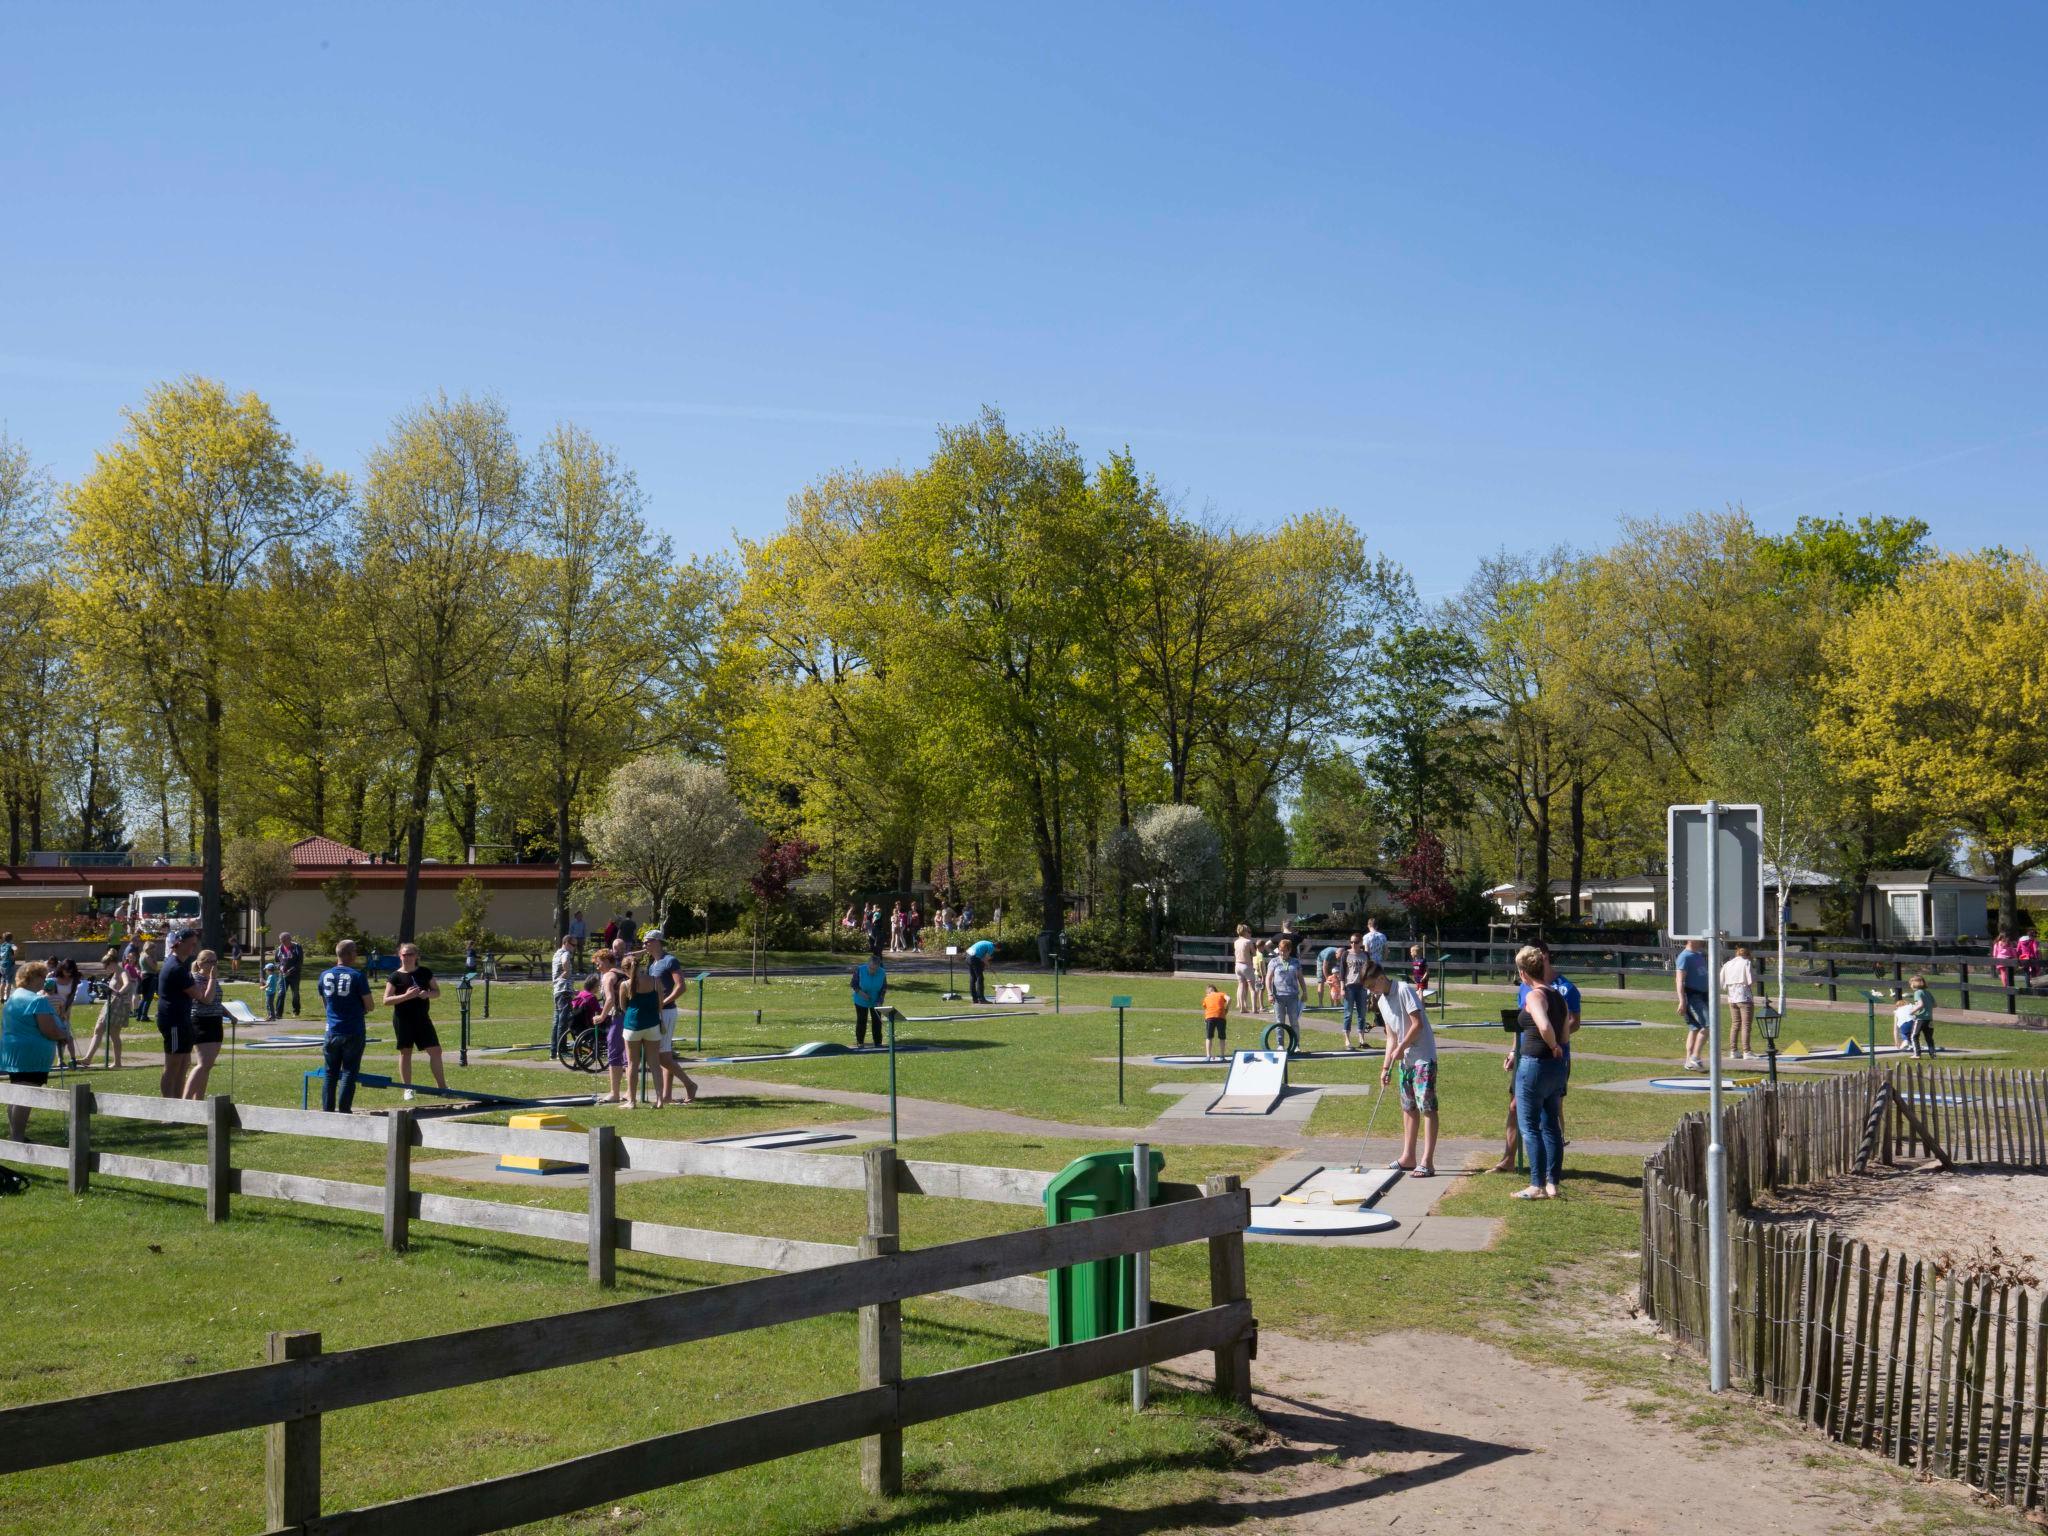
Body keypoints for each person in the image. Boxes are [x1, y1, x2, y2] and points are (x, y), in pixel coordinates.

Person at [1368, 959, 1438, 1176]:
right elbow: (1391, 1037)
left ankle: (1427, 1161)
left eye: (1371, 986)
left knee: (1427, 1107)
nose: (1371, 991)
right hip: (1405, 1061)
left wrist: (1402, 1047)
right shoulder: (1381, 1001)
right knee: (1408, 1107)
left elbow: (1417, 1024)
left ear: (1380, 978)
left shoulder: (1404, 990)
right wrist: (1386, 1066)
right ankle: (1408, 1157)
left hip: (1423, 1058)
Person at [1512, 944, 1569, 1200]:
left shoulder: (1534, 996)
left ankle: (1536, 1185)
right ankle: (1552, 1183)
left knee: (1530, 1127)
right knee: (1551, 1125)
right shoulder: (1558, 996)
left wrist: (1552, 1043)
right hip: (1556, 1067)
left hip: (1534, 1065)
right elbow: (1566, 1029)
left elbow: (1544, 1026)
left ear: (1524, 973)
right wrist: (1559, 1047)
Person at [2, 961, 70, 1141]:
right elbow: (49, 1030)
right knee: (27, 1094)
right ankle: (17, 1137)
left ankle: (15, 1135)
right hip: (31, 1055)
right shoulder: (37, 1000)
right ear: (32, 978)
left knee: (17, 1093)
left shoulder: (14, 997)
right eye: (42, 976)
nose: (45, 980)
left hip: (13, 1052)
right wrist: (63, 1034)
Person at [317, 940, 377, 1114]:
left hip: (332, 1030)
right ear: (349, 954)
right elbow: (370, 1005)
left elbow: (325, 1004)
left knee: (330, 1074)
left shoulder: (324, 975)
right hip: (353, 1030)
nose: (357, 955)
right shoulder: (357, 976)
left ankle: (327, 1110)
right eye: (355, 951)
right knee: (349, 1072)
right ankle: (344, 1110)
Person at [385, 943, 446, 1099]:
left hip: (422, 1019)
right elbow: (386, 1000)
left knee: (436, 1051)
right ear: (400, 956)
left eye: (411, 954)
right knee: (406, 1052)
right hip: (403, 1019)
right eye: (404, 954)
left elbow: (436, 992)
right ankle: (408, 1088)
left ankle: (442, 1087)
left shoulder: (425, 972)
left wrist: (427, 994)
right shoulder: (394, 976)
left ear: (416, 956)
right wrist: (406, 996)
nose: (407, 957)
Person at [644, 930, 697, 1106]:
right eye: (644, 942)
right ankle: (666, 1095)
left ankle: (690, 1084)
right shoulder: (653, 964)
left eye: (648, 941)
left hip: (666, 1012)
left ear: (658, 942)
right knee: (663, 1054)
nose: (645, 945)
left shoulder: (669, 960)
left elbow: (681, 986)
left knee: (663, 1057)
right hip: (657, 1011)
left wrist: (663, 1003)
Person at [617, 951, 664, 1109]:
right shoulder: (655, 981)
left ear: (625, 970)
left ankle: (632, 1101)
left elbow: (623, 1006)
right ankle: (659, 1100)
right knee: (655, 1064)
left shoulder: (625, 984)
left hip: (632, 1025)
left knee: (632, 1064)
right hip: (652, 1024)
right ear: (641, 966)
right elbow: (660, 1003)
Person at [155, 930, 199, 1099]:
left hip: (183, 1019)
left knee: (184, 1063)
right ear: (179, 943)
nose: (193, 948)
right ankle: (168, 1108)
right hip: (173, 1021)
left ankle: (179, 1106)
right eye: (191, 944)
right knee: (173, 1065)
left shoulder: (182, 966)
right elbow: (198, 994)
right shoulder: (175, 967)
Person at [181, 948, 228, 1098]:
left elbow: (215, 1001)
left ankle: (198, 1102)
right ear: (201, 963)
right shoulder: (195, 979)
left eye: (216, 961)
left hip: (215, 1022)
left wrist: (229, 1015)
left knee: (207, 1066)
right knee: (202, 1064)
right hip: (201, 1023)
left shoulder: (211, 978)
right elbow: (206, 999)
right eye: (211, 962)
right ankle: (185, 1101)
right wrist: (213, 979)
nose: (214, 965)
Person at [82, 946, 135, 1069]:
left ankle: (117, 1063)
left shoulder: (122, 972)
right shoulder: (114, 973)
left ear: (111, 963)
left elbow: (127, 984)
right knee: (98, 1029)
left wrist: (119, 992)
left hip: (119, 1005)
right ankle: (88, 1059)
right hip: (110, 1003)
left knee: (114, 1034)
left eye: (106, 966)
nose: (105, 969)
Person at [589, 952, 626, 1104]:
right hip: (630, 1016)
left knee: (614, 1053)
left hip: (618, 1016)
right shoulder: (623, 973)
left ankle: (614, 1093)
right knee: (628, 1055)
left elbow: (610, 999)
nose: (597, 967)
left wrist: (601, 1016)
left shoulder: (608, 976)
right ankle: (629, 1092)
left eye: (598, 963)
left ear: (606, 960)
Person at [1676, 937, 1711, 1071]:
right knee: (1708, 1024)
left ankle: (1689, 1061)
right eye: (1698, 938)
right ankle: (1695, 1057)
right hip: (1693, 996)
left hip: (1703, 995)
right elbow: (1679, 981)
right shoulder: (1684, 957)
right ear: (1690, 940)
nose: (1702, 940)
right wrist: (1682, 1001)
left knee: (1695, 1028)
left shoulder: (1699, 955)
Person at [1721, 945, 1758, 1060]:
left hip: (1732, 996)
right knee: (1746, 1025)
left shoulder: (1727, 964)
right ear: (1747, 955)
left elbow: (1721, 981)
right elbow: (1750, 979)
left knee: (1735, 1024)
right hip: (1744, 996)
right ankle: (1746, 1051)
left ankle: (1734, 1050)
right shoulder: (1746, 962)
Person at [1266, 938, 1304, 1046]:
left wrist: (1304, 991)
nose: (1282, 953)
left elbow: (1300, 978)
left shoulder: (1295, 962)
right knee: (1280, 1022)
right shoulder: (1274, 962)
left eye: (1285, 950)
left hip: (1292, 996)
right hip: (1278, 996)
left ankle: (1296, 1045)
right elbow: (1268, 978)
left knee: (1294, 1022)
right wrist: (1269, 993)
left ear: (1290, 950)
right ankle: (1280, 1044)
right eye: (1280, 950)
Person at [1340, 933, 1374, 1050]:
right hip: (1349, 986)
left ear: (1360, 943)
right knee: (1348, 1014)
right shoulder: (1346, 954)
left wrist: (1370, 986)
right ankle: (1347, 1040)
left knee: (1362, 1014)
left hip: (1362, 986)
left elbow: (1370, 971)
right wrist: (1342, 988)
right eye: (1351, 942)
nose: (1353, 944)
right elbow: (1342, 973)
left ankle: (1361, 1039)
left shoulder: (1365, 955)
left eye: (1355, 942)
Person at [851, 952, 888, 1047]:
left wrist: (880, 1000)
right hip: (860, 999)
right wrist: (861, 993)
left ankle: (878, 1043)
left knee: (877, 1021)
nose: (872, 971)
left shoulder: (882, 973)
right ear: (868, 965)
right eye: (871, 968)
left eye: (875, 969)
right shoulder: (860, 970)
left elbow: (883, 988)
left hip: (875, 1001)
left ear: (878, 967)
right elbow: (854, 984)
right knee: (862, 1020)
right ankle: (860, 1042)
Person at [550, 934, 577, 1061]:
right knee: (563, 1021)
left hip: (557, 991)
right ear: (566, 943)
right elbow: (565, 963)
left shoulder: (556, 954)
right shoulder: (565, 954)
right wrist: (566, 973)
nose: (574, 948)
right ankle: (562, 1050)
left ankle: (553, 1051)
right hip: (564, 990)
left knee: (556, 1022)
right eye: (573, 945)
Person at [275, 932, 305, 1018]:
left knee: (295, 993)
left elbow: (299, 962)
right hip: (283, 975)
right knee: (281, 993)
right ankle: (278, 1013)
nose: (282, 942)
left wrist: (290, 970)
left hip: (294, 975)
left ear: (289, 939)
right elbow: (276, 961)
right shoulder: (279, 948)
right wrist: (279, 967)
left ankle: (296, 1011)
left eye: (284, 940)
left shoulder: (297, 947)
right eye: (281, 941)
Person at [1908, 974, 1937, 1057]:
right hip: (1929, 1019)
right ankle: (1933, 1054)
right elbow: (1935, 1005)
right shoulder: (1927, 992)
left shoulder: (1917, 992)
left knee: (1914, 1036)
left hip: (1920, 1018)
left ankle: (1917, 1054)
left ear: (1915, 984)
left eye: (1911, 983)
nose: (1910, 985)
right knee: (1929, 1037)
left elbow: (1920, 1004)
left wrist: (1912, 1011)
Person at [1201, 983, 1230, 1060]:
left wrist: (1206, 1019)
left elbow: (1206, 1008)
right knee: (1222, 1037)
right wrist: (1226, 1009)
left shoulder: (1206, 998)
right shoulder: (1221, 994)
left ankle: (1208, 1056)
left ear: (1208, 992)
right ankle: (1222, 1056)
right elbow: (1229, 998)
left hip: (1210, 1017)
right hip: (1221, 1017)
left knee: (1209, 1037)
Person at [1231, 924, 1257, 1012]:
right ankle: (1254, 1008)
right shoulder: (1248, 941)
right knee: (1252, 988)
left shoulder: (1236, 942)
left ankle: (1242, 1007)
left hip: (1237, 965)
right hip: (1246, 965)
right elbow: (1254, 953)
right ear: (1245, 932)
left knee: (1241, 985)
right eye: (1248, 931)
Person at [133, 940, 158, 1023]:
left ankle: (139, 1015)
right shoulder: (147, 956)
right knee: (148, 998)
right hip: (149, 977)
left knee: (144, 998)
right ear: (148, 948)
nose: (154, 950)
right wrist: (154, 959)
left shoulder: (141, 955)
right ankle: (143, 1015)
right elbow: (154, 967)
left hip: (145, 976)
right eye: (153, 948)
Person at [966, 936, 996, 1004]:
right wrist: (991, 969)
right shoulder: (991, 948)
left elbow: (982, 958)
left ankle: (974, 999)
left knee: (973, 978)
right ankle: (981, 999)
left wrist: (983, 967)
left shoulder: (988, 943)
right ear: (998, 948)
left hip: (968, 956)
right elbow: (985, 959)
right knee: (980, 978)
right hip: (974, 958)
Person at [1316, 941, 1342, 1008]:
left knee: (1336, 982)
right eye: (1338, 958)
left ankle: (1337, 1003)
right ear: (1336, 954)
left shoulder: (1342, 954)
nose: (1339, 959)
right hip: (1321, 961)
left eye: (1340, 958)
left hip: (1332, 962)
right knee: (1321, 981)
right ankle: (1320, 1004)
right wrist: (1328, 978)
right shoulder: (1329, 953)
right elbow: (1324, 967)